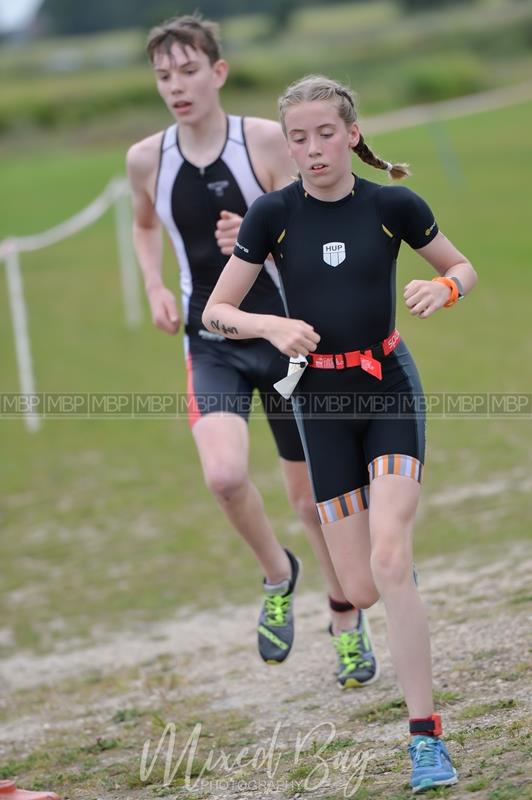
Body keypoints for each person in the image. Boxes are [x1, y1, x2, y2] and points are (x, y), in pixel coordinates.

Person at [203, 74, 477, 792]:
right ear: (287, 145)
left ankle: (425, 740)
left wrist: (441, 288)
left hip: (387, 386)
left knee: (387, 556)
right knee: (360, 586)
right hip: (317, 404)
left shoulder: (392, 205)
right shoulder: (274, 214)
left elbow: (462, 265)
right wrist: (272, 324)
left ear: (352, 134)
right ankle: (392, 576)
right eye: (298, 137)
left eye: (326, 133)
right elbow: (216, 313)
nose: (314, 148)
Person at [126, 16, 379, 686]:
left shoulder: (262, 140)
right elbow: (144, 221)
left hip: (286, 336)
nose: (176, 86)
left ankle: (346, 617)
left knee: (309, 498)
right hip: (213, 344)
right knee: (225, 477)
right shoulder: (147, 157)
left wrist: (264, 229)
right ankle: (278, 575)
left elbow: (319, 218)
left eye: (188, 71)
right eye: (163, 76)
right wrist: (154, 284)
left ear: (218, 71)